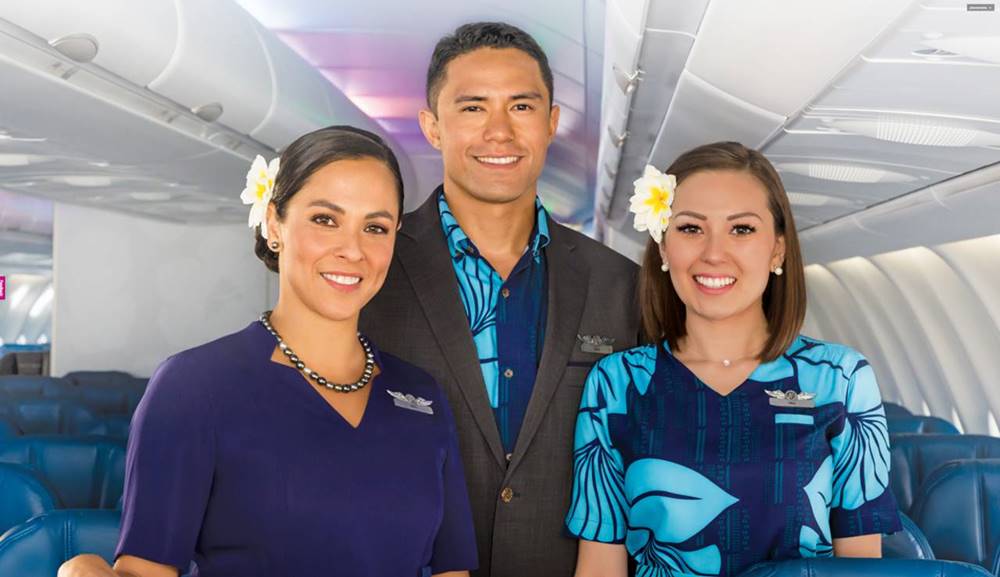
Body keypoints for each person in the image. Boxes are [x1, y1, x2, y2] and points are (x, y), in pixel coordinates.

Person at [57, 126, 477, 577]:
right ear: (275, 223)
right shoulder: (193, 388)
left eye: (374, 227)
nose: (353, 249)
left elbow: (451, 570)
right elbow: (147, 571)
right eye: (325, 219)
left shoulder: (422, 395)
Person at [359, 22, 639, 577]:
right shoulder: (372, 270)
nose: (499, 132)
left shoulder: (622, 286)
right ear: (432, 128)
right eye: (472, 108)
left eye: (521, 106)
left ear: (552, 122)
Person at [567, 142, 902, 577]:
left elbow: (858, 568)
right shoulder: (617, 384)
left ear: (778, 250)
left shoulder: (840, 380)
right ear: (664, 248)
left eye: (741, 229)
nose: (713, 253)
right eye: (691, 228)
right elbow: (600, 567)